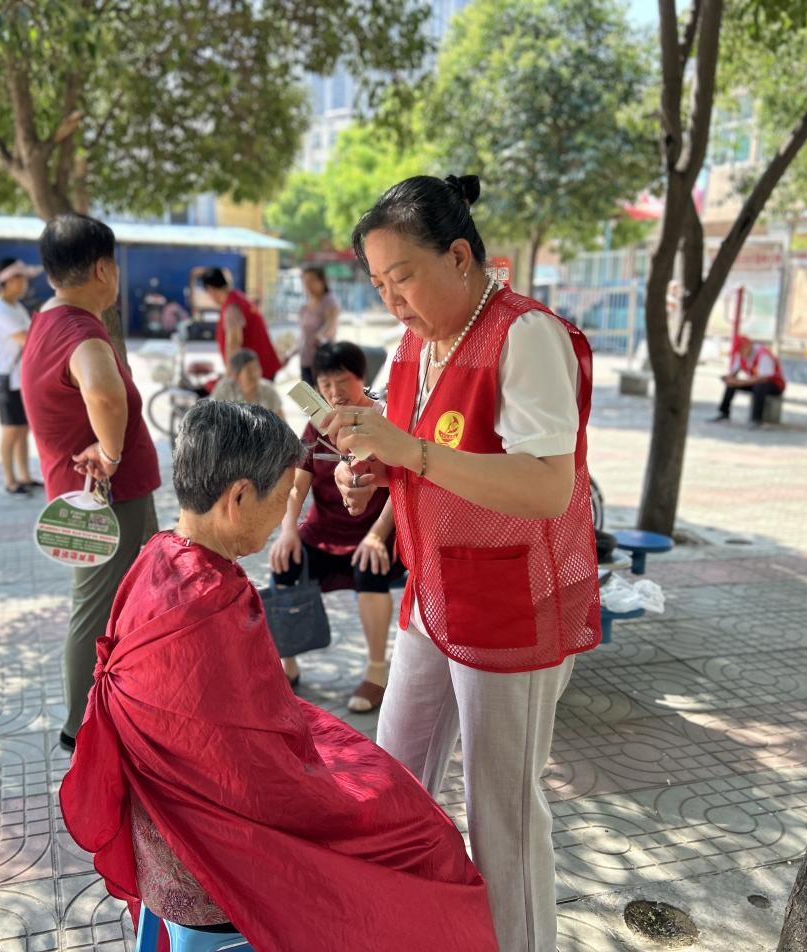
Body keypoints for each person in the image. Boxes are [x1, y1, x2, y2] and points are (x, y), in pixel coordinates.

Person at [59, 400, 498, 951]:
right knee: (419, 837)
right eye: (284, 496)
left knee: (369, 774)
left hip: (169, 819)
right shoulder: (212, 604)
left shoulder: (156, 555)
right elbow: (257, 773)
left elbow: (238, 736)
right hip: (209, 846)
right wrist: (347, 796)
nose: (287, 512)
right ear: (239, 497)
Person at [325, 174, 601, 952]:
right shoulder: (416, 344)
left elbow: (547, 486)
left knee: (500, 814)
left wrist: (410, 453)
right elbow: (413, 454)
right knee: (392, 774)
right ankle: (400, 929)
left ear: (457, 257)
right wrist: (373, 473)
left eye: (402, 277)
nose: (392, 301)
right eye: (379, 285)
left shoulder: (525, 335)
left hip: (511, 602)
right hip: (435, 591)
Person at [19, 213, 161, 753]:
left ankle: (122, 703)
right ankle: (79, 728)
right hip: (106, 498)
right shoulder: (81, 332)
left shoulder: (48, 318)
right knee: (96, 607)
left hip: (90, 495)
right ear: (103, 269)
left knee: (120, 601)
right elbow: (104, 394)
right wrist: (111, 451)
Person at [270, 341, 402, 712]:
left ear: (362, 378)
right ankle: (287, 665)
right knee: (285, 564)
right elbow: (297, 485)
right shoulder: (317, 426)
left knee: (369, 569)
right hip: (324, 532)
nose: (334, 392)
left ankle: (376, 673)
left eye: (343, 381)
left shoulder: (386, 420)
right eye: (326, 384)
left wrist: (377, 536)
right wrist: (288, 531)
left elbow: (403, 487)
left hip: (376, 531)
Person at [0, 257, 42, 495]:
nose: (24, 284)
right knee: (11, 430)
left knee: (22, 429)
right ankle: (10, 480)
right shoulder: (1, 309)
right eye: (20, 279)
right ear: (7, 281)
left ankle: (25, 477)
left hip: (21, 380)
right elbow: (27, 339)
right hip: (8, 380)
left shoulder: (15, 306)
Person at [199, 266, 282, 381]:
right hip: (262, 367)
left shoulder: (232, 307)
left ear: (211, 289)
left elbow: (234, 342)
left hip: (254, 373)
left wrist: (230, 374)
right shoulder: (239, 298)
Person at [711, 335, 786, 428]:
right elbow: (733, 372)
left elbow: (764, 378)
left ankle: (756, 419)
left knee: (760, 386)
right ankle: (724, 413)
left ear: (748, 345)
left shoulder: (763, 354)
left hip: (774, 385)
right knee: (731, 384)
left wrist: (740, 382)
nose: (740, 352)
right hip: (755, 382)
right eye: (738, 350)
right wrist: (729, 379)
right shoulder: (740, 355)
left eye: (741, 349)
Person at [209, 348, 285, 417]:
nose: (255, 374)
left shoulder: (268, 391)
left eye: (256, 368)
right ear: (237, 376)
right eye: (249, 371)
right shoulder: (225, 389)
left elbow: (281, 421)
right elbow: (211, 415)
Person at [297, 266, 340, 386]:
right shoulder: (306, 306)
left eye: (312, 281)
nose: (308, 285)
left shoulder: (329, 301)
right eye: (305, 282)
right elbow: (303, 336)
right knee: (307, 396)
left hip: (322, 361)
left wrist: (320, 336)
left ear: (322, 281)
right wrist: (289, 354)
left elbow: (331, 326)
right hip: (305, 360)